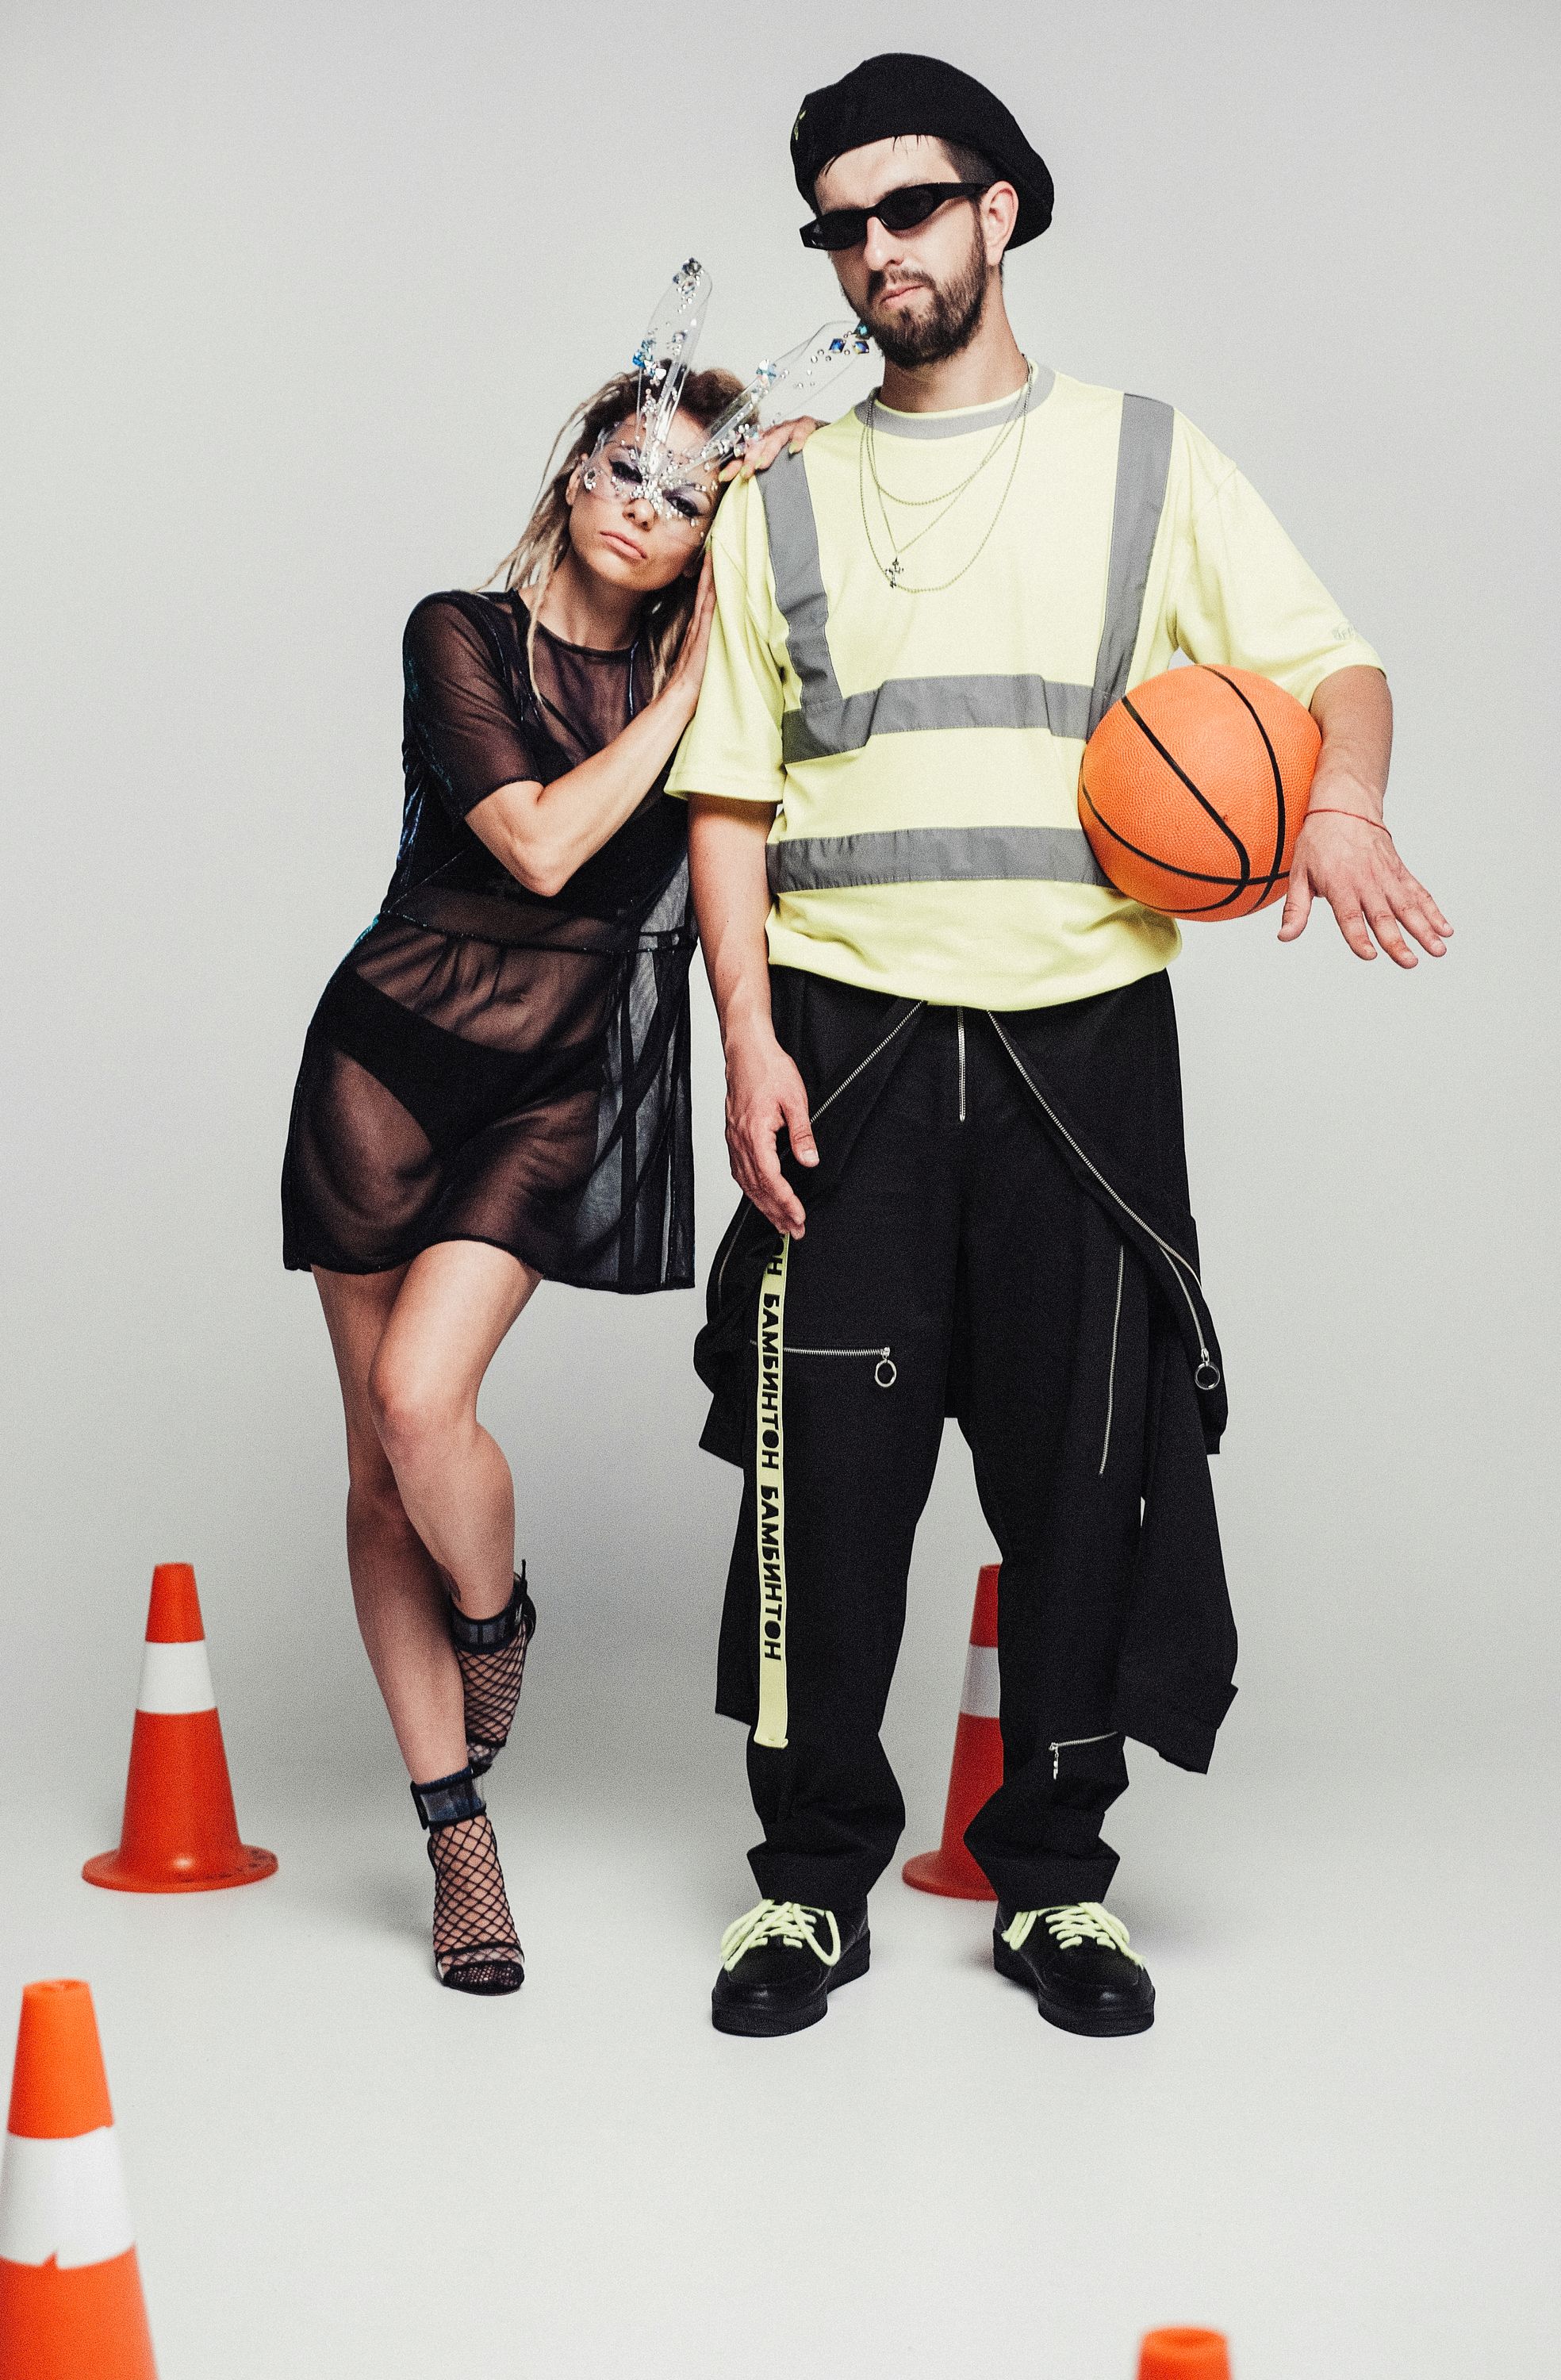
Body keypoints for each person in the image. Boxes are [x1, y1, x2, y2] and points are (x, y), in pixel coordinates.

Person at [671, 52, 1452, 2039]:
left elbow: (1333, 666)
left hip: (1080, 1055)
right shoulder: (784, 497)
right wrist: (743, 1040)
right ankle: (807, 1891)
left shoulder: (1145, 460)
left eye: (910, 207)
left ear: (999, 209)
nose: (876, 252)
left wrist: (1343, 801)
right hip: (842, 1052)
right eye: (840, 227)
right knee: (823, 1493)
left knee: (1088, 1482)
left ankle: (1058, 1889)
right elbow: (731, 797)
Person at [282, 349, 807, 1995]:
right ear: (577, 470)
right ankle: (458, 1839)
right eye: (627, 469)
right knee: (379, 1470)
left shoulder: (715, 675)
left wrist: (791, 482)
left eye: (686, 495)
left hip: (548, 1089)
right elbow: (539, 843)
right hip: (384, 1065)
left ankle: (496, 1618)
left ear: (709, 530)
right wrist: (688, 683)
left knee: (423, 1403)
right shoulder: (459, 631)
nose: (645, 509)